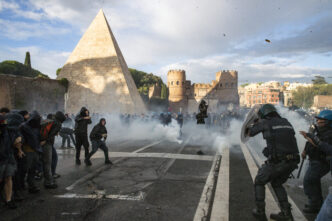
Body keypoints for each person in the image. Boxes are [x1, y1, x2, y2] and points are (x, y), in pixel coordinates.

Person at [247, 104, 299, 221]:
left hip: (279, 161)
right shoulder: (286, 121)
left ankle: (260, 211)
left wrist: (254, 122)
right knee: (276, 183)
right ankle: (286, 214)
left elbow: (249, 133)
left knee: (260, 181)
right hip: (293, 161)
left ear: (264, 114)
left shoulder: (265, 122)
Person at [299, 109, 332, 221]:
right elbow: (310, 142)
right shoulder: (318, 130)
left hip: (321, 161)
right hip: (313, 159)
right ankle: (316, 202)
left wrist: (311, 137)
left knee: (309, 180)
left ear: (328, 122)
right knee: (313, 181)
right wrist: (305, 151)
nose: (318, 122)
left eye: (321, 121)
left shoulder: (329, 133)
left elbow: (321, 145)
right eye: (318, 120)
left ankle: (315, 204)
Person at [40, 111, 65, 189]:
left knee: (52, 159)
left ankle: (49, 177)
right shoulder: (58, 123)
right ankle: (48, 182)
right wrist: (45, 140)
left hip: (41, 141)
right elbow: (51, 135)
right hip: (47, 144)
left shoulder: (48, 120)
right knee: (47, 162)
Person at [19, 111, 42, 193]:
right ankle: (20, 185)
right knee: (24, 169)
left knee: (33, 169)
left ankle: (31, 186)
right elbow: (20, 138)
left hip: (35, 150)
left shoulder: (37, 127)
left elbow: (39, 137)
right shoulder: (23, 126)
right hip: (27, 150)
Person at [0, 115, 19, 209]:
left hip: (8, 158)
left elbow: (17, 137)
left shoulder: (9, 130)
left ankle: (8, 200)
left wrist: (19, 140)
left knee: (9, 178)